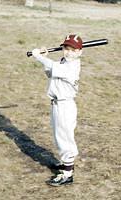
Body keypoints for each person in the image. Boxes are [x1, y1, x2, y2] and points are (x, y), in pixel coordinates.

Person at [32, 34, 83, 186]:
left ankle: (67, 174)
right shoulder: (63, 62)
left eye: (73, 50)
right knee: (58, 136)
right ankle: (65, 164)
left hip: (65, 106)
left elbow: (53, 67)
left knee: (65, 138)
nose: (68, 52)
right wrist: (45, 59)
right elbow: (50, 73)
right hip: (57, 104)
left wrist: (38, 56)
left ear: (80, 52)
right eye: (66, 48)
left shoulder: (73, 66)